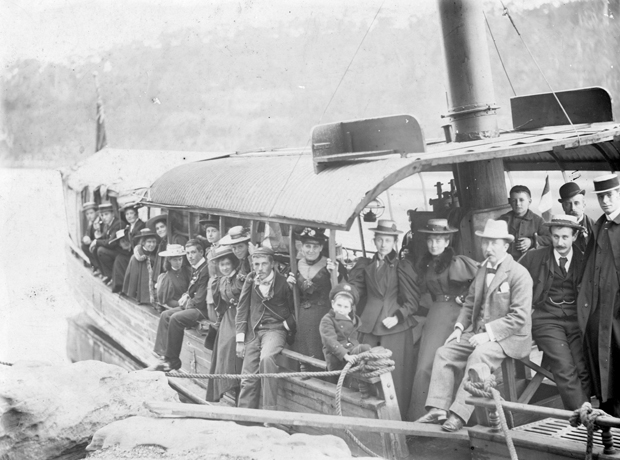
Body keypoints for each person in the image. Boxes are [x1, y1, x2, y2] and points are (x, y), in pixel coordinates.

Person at [416, 219, 532, 432]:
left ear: (505, 246)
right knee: (444, 352)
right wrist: (459, 328)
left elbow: (519, 317)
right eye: (485, 243)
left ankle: (458, 414)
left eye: (493, 243)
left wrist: (488, 334)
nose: (487, 249)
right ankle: (438, 408)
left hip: (508, 338)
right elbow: (469, 303)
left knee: (478, 356)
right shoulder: (482, 270)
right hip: (478, 332)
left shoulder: (519, 274)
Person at [348, 219, 420, 420]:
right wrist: (339, 284)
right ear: (374, 240)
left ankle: (397, 420)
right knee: (364, 371)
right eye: (380, 240)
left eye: (388, 240)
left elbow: (412, 302)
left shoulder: (402, 266)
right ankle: (368, 418)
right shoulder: (366, 265)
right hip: (369, 324)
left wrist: (397, 317)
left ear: (395, 242)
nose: (383, 244)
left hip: (395, 327)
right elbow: (355, 289)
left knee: (394, 376)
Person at [407, 219, 478, 421]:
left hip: (455, 315)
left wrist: (464, 297)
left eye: (439, 240)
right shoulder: (427, 264)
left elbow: (480, 280)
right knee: (425, 364)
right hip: (435, 314)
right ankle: (423, 413)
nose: (434, 245)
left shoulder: (457, 262)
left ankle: (451, 413)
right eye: (430, 240)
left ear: (447, 242)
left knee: (447, 362)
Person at [519, 214, 590, 410]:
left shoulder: (584, 260)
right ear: (550, 235)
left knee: (583, 369)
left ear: (574, 237)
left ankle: (584, 414)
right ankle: (582, 417)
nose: (560, 242)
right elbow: (512, 277)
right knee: (564, 367)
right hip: (546, 320)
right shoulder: (534, 257)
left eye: (565, 237)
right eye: (556, 236)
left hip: (575, 320)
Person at [578, 173, 620, 416]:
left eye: (610, 195)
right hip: (599, 307)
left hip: (617, 309)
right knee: (602, 360)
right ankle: (607, 414)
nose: (605, 201)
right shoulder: (599, 226)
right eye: (601, 197)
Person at [235, 247, 295, 410]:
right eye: (256, 264)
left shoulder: (284, 282)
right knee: (247, 376)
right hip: (253, 332)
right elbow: (242, 309)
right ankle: (245, 417)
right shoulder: (250, 279)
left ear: (273, 264)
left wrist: (285, 325)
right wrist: (240, 340)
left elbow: (294, 310)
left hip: (275, 331)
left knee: (266, 359)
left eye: (263, 264)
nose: (259, 269)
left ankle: (270, 413)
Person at [287, 227, 347, 362]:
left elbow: (343, 291)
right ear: (301, 247)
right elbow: (290, 298)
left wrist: (335, 275)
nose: (311, 250)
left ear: (321, 248)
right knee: (305, 351)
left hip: (324, 316)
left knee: (324, 352)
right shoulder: (295, 266)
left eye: (315, 246)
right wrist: (290, 286)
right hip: (303, 317)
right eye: (307, 246)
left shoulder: (331, 265)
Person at [152, 239, 210, 371]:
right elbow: (192, 291)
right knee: (166, 314)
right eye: (188, 253)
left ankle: (173, 361)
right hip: (193, 304)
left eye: (193, 252)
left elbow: (200, 301)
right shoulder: (197, 268)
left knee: (176, 318)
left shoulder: (204, 270)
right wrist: (186, 295)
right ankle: (163, 354)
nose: (190, 256)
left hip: (202, 309)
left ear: (201, 253)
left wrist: (186, 303)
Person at [206, 246, 244, 403]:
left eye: (228, 264)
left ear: (234, 264)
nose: (225, 267)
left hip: (241, 317)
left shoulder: (241, 280)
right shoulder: (220, 281)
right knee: (223, 348)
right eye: (222, 265)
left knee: (233, 344)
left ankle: (238, 390)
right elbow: (219, 305)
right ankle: (229, 387)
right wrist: (219, 321)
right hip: (228, 318)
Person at [319, 282, 371, 372]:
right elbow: (330, 342)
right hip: (337, 356)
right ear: (332, 304)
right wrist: (346, 356)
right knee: (365, 350)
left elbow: (353, 339)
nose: (341, 310)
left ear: (350, 308)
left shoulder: (353, 319)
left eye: (345, 307)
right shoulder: (327, 319)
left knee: (368, 349)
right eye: (339, 305)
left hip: (352, 352)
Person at [499, 185, 551, 260]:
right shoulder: (503, 219)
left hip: (530, 261)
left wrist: (532, 241)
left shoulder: (537, 220)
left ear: (529, 202)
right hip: (507, 261)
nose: (518, 204)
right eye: (514, 200)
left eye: (521, 200)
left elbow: (550, 238)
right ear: (509, 201)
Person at [111, 203, 145, 293]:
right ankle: (121, 285)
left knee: (120, 259)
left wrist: (129, 244)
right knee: (119, 257)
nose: (129, 216)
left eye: (131, 213)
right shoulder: (130, 227)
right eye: (127, 214)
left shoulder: (141, 225)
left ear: (136, 214)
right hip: (131, 252)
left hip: (139, 254)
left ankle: (125, 287)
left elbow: (139, 241)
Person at [149, 215, 188, 286]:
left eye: (162, 227)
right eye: (157, 228)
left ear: (168, 227)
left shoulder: (178, 239)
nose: (159, 230)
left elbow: (184, 262)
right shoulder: (162, 242)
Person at [122, 228, 159, 304]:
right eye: (149, 242)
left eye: (154, 242)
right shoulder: (137, 257)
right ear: (143, 243)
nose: (152, 245)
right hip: (141, 292)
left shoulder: (156, 254)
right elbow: (133, 277)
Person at [89, 203, 122, 285]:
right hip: (113, 250)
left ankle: (112, 276)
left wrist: (96, 242)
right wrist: (96, 240)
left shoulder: (118, 224)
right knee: (95, 249)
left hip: (120, 251)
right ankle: (106, 274)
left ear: (113, 214)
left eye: (106, 214)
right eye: (102, 215)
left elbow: (111, 242)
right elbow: (104, 238)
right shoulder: (107, 225)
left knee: (101, 250)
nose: (104, 217)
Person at [558, 181, 595, 253]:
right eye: (568, 204)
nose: (573, 208)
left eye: (576, 203)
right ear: (563, 207)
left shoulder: (596, 227)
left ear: (584, 205)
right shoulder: (557, 229)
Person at [156, 244, 192, 309]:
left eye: (180, 259)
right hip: (177, 306)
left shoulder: (188, 271)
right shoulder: (165, 278)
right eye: (175, 260)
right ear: (169, 260)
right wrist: (179, 304)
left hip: (191, 303)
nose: (178, 262)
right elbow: (168, 301)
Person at [80, 201, 102, 275]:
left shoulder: (100, 222)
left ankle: (100, 268)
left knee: (95, 248)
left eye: (91, 213)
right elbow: (87, 234)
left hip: (102, 244)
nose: (89, 215)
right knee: (84, 246)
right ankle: (96, 266)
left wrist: (92, 241)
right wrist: (85, 238)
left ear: (96, 212)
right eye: (87, 214)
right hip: (95, 244)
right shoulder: (91, 223)